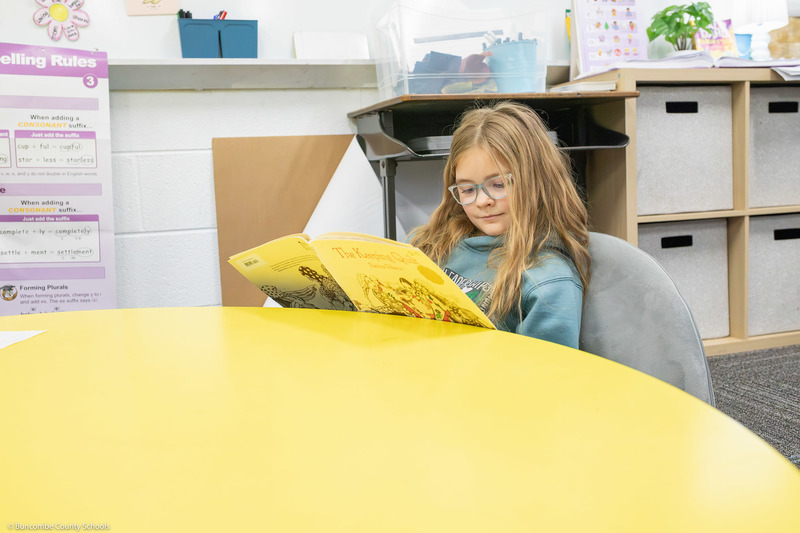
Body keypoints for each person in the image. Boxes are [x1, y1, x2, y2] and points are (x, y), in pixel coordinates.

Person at [409, 101, 590, 349]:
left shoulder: (547, 279)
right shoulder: (432, 245)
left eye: (499, 184)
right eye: (467, 189)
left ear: (538, 180)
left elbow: (547, 376)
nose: (483, 201)